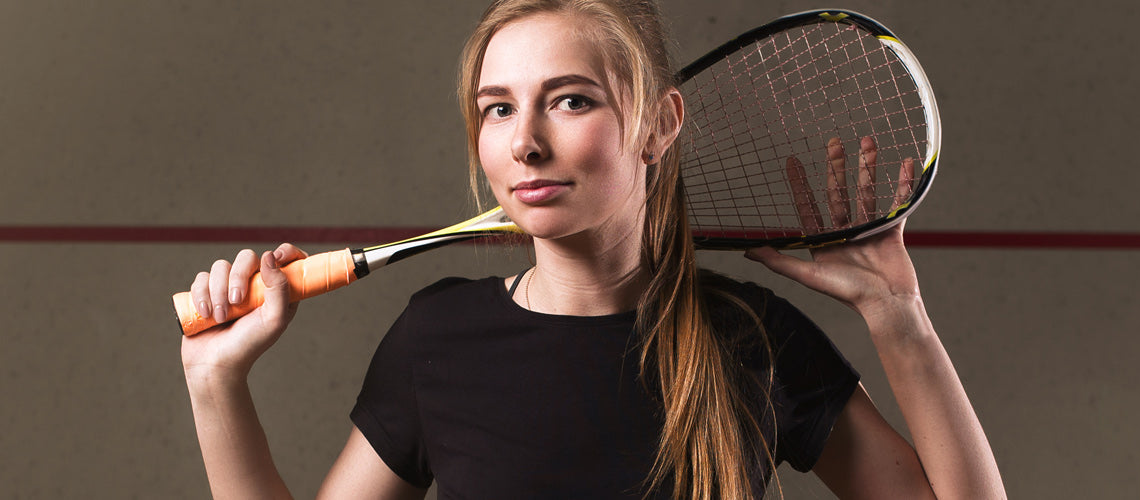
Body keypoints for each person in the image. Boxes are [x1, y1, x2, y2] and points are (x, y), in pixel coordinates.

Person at [178, 1, 1005, 498]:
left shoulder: (754, 340)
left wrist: (901, 319)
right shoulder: (436, 338)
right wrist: (216, 382)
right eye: (497, 109)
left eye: (569, 100)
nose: (526, 144)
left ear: (660, 125)